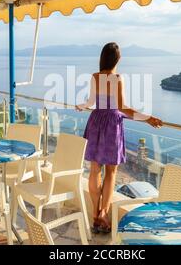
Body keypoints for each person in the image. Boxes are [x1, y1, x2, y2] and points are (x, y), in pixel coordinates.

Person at [76, 42, 162, 233]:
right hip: (111, 125)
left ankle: (94, 215)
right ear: (118, 59)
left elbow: (91, 102)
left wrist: (81, 106)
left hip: (96, 120)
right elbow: (122, 108)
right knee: (111, 172)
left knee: (94, 170)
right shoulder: (117, 78)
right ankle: (103, 214)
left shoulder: (95, 77)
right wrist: (148, 118)